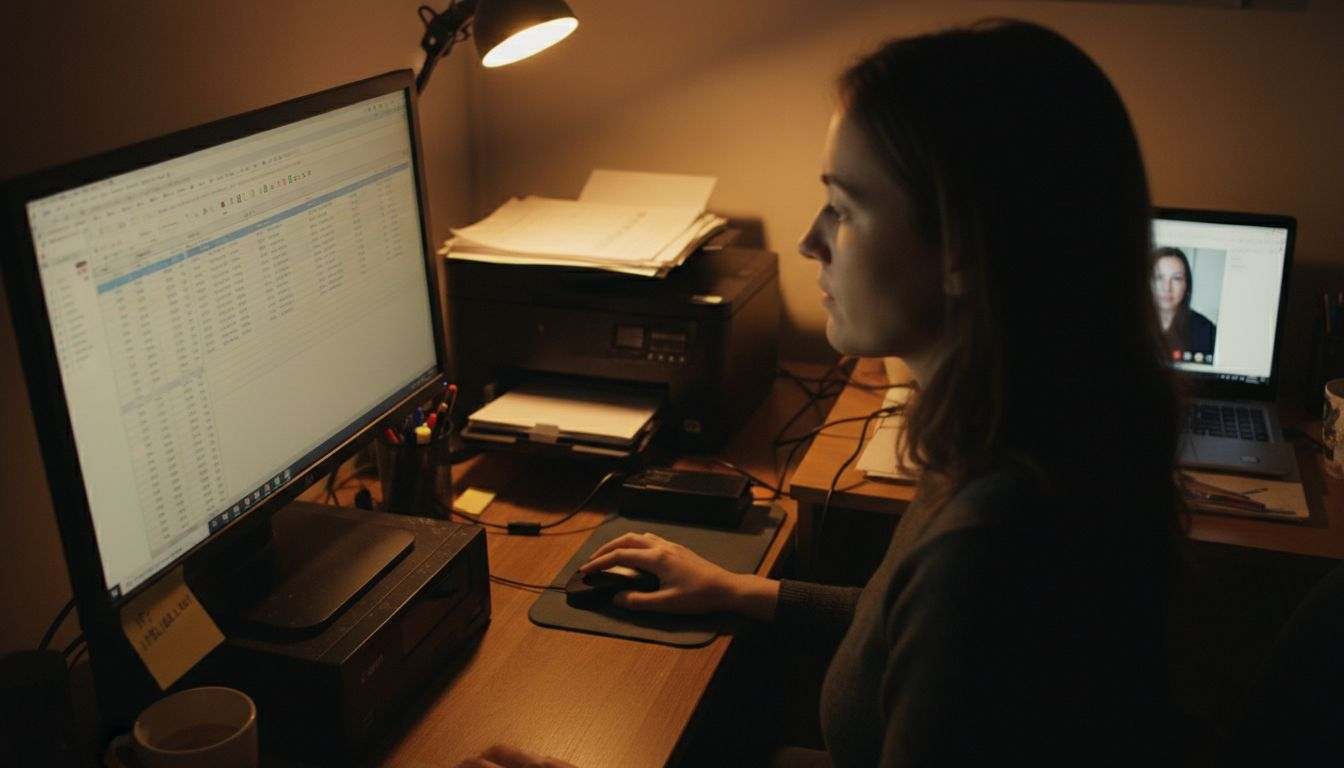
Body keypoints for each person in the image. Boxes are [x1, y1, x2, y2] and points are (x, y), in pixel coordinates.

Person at [459, 18, 1184, 767]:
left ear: (964, 248)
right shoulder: (1031, 433)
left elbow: (941, 612)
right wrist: (740, 591)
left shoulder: (990, 550)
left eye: (845, 206)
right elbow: (894, 623)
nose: (811, 240)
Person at [1152, 245, 1217, 362]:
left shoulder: (1206, 331)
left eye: (1177, 278)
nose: (1167, 287)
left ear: (1187, 285)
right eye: (1159, 277)